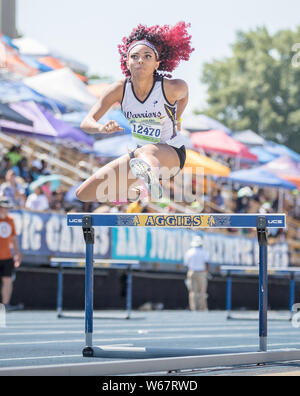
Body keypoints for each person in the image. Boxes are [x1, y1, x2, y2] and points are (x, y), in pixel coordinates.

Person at [77, 22, 194, 205]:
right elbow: (86, 122)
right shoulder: (119, 89)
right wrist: (101, 127)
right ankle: (135, 191)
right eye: (135, 56)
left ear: (157, 63)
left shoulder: (171, 87)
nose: (140, 60)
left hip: (171, 154)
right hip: (141, 159)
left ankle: (150, 184)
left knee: (146, 151)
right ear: (127, 62)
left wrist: (177, 117)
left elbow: (185, 94)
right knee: (84, 193)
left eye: (147, 56)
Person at [0, 197, 22, 310]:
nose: (5, 210)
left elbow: (14, 238)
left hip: (7, 256)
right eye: (3, 208)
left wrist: (17, 253)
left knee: (7, 280)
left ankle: (6, 304)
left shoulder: (10, 220)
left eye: (7, 208)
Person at [184, 235, 209, 311]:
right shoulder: (203, 252)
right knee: (202, 291)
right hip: (201, 273)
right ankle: (202, 307)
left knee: (192, 292)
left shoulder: (189, 252)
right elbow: (206, 263)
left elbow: (186, 264)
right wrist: (206, 272)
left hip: (192, 272)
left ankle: (193, 307)